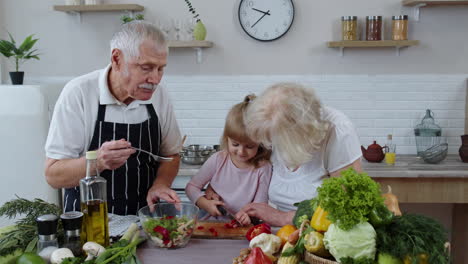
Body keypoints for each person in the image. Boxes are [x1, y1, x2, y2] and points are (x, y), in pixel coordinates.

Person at [44, 21, 182, 215]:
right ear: (117, 59)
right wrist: (98, 161)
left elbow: (171, 156)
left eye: (160, 69)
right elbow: (53, 175)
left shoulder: (160, 96)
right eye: (146, 68)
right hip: (89, 225)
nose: (156, 79)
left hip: (146, 224)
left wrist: (161, 184)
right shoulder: (79, 93)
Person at [207, 83, 362, 227]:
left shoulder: (339, 131)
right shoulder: (272, 120)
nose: (269, 146)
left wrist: (282, 217)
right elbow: (247, 168)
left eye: (274, 141)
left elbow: (346, 208)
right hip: (280, 234)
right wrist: (218, 188)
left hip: (319, 239)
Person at [185, 95, 272, 225]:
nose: (241, 152)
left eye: (249, 146)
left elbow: (260, 206)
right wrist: (204, 203)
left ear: (261, 143)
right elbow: (191, 187)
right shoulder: (218, 159)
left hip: (242, 228)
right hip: (210, 225)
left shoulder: (263, 168)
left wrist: (247, 217)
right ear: (227, 139)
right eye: (235, 144)